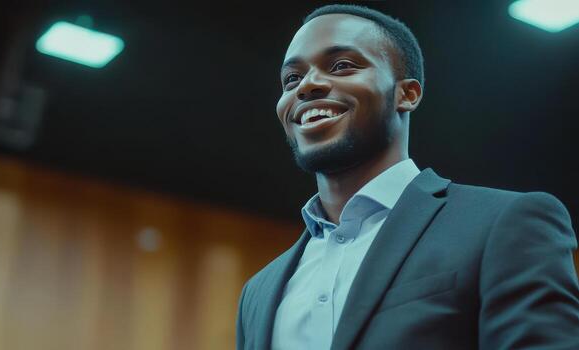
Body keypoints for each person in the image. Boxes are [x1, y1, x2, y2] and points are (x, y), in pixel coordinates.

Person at [236, 4, 579, 350]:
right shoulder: (258, 292)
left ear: (407, 94)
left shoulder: (505, 223)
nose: (307, 86)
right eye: (291, 79)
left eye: (342, 66)